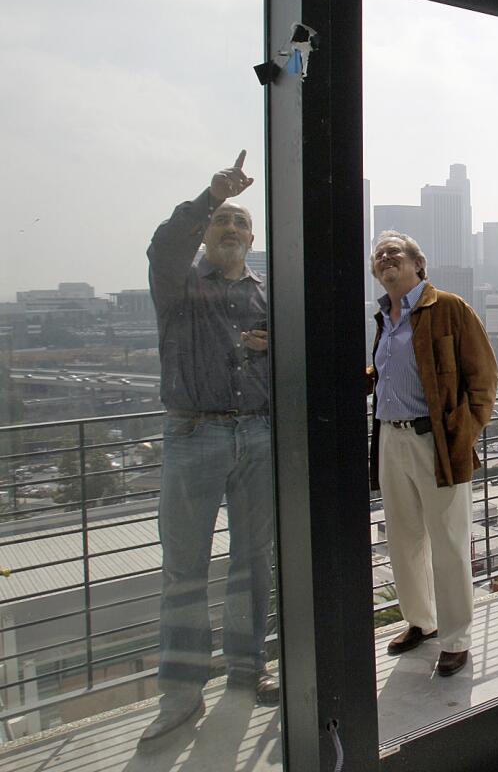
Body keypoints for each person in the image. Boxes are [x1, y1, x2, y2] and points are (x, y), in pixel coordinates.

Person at [142, 151, 277, 745]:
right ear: (208, 231)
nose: (230, 229)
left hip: (255, 433)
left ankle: (249, 670)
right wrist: (210, 195)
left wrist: (272, 349)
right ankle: (180, 696)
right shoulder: (177, 284)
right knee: (185, 570)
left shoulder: (264, 295)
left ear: (251, 239)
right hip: (193, 433)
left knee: (254, 561)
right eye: (222, 221)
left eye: (240, 223)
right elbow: (165, 246)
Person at [369, 231, 498, 676]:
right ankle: (421, 622)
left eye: (395, 253)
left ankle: (456, 637)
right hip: (390, 438)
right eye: (380, 255)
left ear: (417, 265)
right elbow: (397, 373)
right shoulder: (385, 318)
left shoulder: (449, 308)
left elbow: (483, 378)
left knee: (448, 542)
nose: (386, 259)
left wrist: (464, 434)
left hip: (437, 442)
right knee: (403, 540)